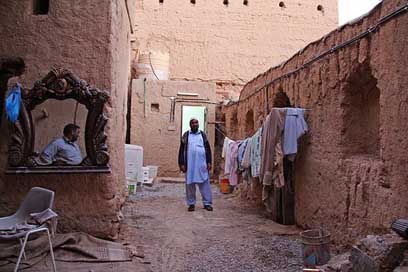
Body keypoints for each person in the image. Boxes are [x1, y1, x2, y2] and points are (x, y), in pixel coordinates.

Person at [178, 118, 213, 212]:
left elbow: (208, 149)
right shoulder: (186, 135)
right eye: (193, 123)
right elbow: (181, 150)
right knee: (190, 185)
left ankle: (207, 203)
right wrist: (181, 163)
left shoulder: (203, 135)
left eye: (196, 122)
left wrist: (209, 162)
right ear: (190, 125)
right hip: (190, 165)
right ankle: (191, 204)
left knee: (205, 183)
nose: (195, 124)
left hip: (202, 164)